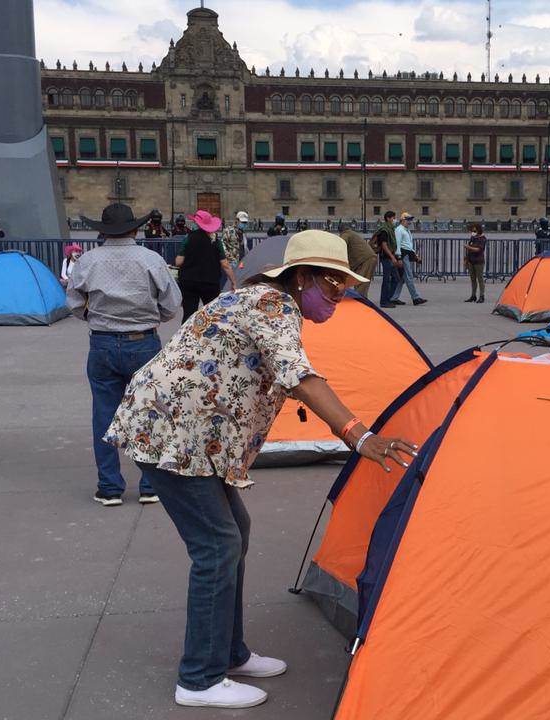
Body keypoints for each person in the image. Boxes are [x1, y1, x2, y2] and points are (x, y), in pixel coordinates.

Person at [103, 230, 416, 710]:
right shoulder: (272, 306)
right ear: (304, 277)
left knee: (234, 533)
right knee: (218, 545)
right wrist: (361, 436)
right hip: (172, 436)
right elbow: (300, 377)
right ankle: (199, 678)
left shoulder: (263, 303)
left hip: (188, 436)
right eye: (335, 285)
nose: (341, 295)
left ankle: (229, 653)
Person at [67, 203, 181, 506]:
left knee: (104, 414)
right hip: (143, 341)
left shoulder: (87, 261)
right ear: (136, 228)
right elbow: (171, 304)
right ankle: (149, 485)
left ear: (102, 230)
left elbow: (75, 303)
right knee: (149, 413)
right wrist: (149, 316)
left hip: (102, 343)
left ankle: (109, 487)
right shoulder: (151, 259)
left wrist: (95, 317)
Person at [175, 211, 232, 323]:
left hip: (189, 281)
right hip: (210, 281)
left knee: (189, 313)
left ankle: (186, 337)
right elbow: (225, 264)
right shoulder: (216, 241)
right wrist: (233, 281)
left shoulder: (189, 238)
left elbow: (178, 262)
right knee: (212, 313)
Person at [389, 212, 426, 306]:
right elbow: (397, 244)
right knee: (409, 277)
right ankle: (415, 298)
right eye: (408, 220)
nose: (410, 222)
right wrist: (399, 257)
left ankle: (394, 297)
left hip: (406, 254)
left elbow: (408, 245)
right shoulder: (399, 230)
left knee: (402, 278)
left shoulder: (406, 230)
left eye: (410, 220)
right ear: (403, 220)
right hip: (403, 255)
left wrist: (415, 255)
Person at [338, 221, 377, 297]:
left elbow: (342, 243)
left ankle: (359, 302)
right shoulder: (352, 233)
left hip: (365, 260)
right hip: (366, 259)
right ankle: (361, 299)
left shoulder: (346, 234)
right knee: (360, 283)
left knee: (361, 283)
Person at [372, 210, 401, 308]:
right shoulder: (384, 230)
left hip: (390, 257)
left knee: (396, 278)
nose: (394, 219)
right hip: (386, 257)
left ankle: (388, 299)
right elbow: (384, 245)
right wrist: (392, 257)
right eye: (393, 218)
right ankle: (384, 301)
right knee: (386, 280)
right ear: (388, 218)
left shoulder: (390, 229)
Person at [464, 223, 488, 303]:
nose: (472, 232)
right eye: (472, 230)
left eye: (474, 230)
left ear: (478, 230)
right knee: (473, 279)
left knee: (480, 279)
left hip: (479, 261)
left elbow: (479, 249)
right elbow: (469, 250)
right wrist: (466, 260)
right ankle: (473, 295)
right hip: (471, 261)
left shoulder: (482, 239)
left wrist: (468, 247)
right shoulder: (473, 237)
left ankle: (482, 296)